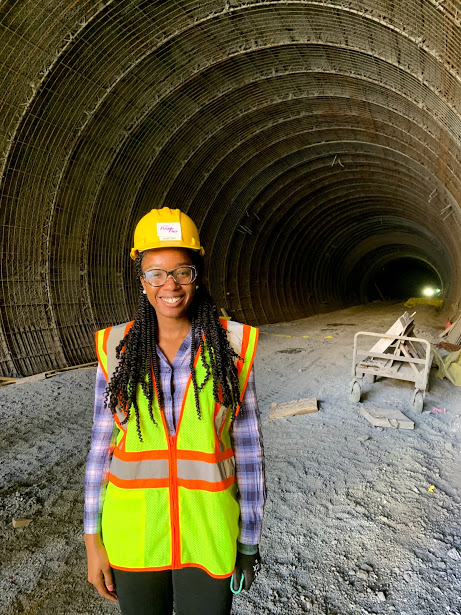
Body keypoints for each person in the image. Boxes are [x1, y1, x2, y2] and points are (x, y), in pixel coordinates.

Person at [84, 207, 266, 615]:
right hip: (133, 532)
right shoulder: (115, 347)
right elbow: (101, 451)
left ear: (197, 276)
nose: (170, 284)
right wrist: (92, 540)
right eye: (156, 273)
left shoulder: (233, 347)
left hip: (210, 532)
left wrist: (249, 542)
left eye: (182, 271)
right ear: (142, 279)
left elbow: (250, 454)